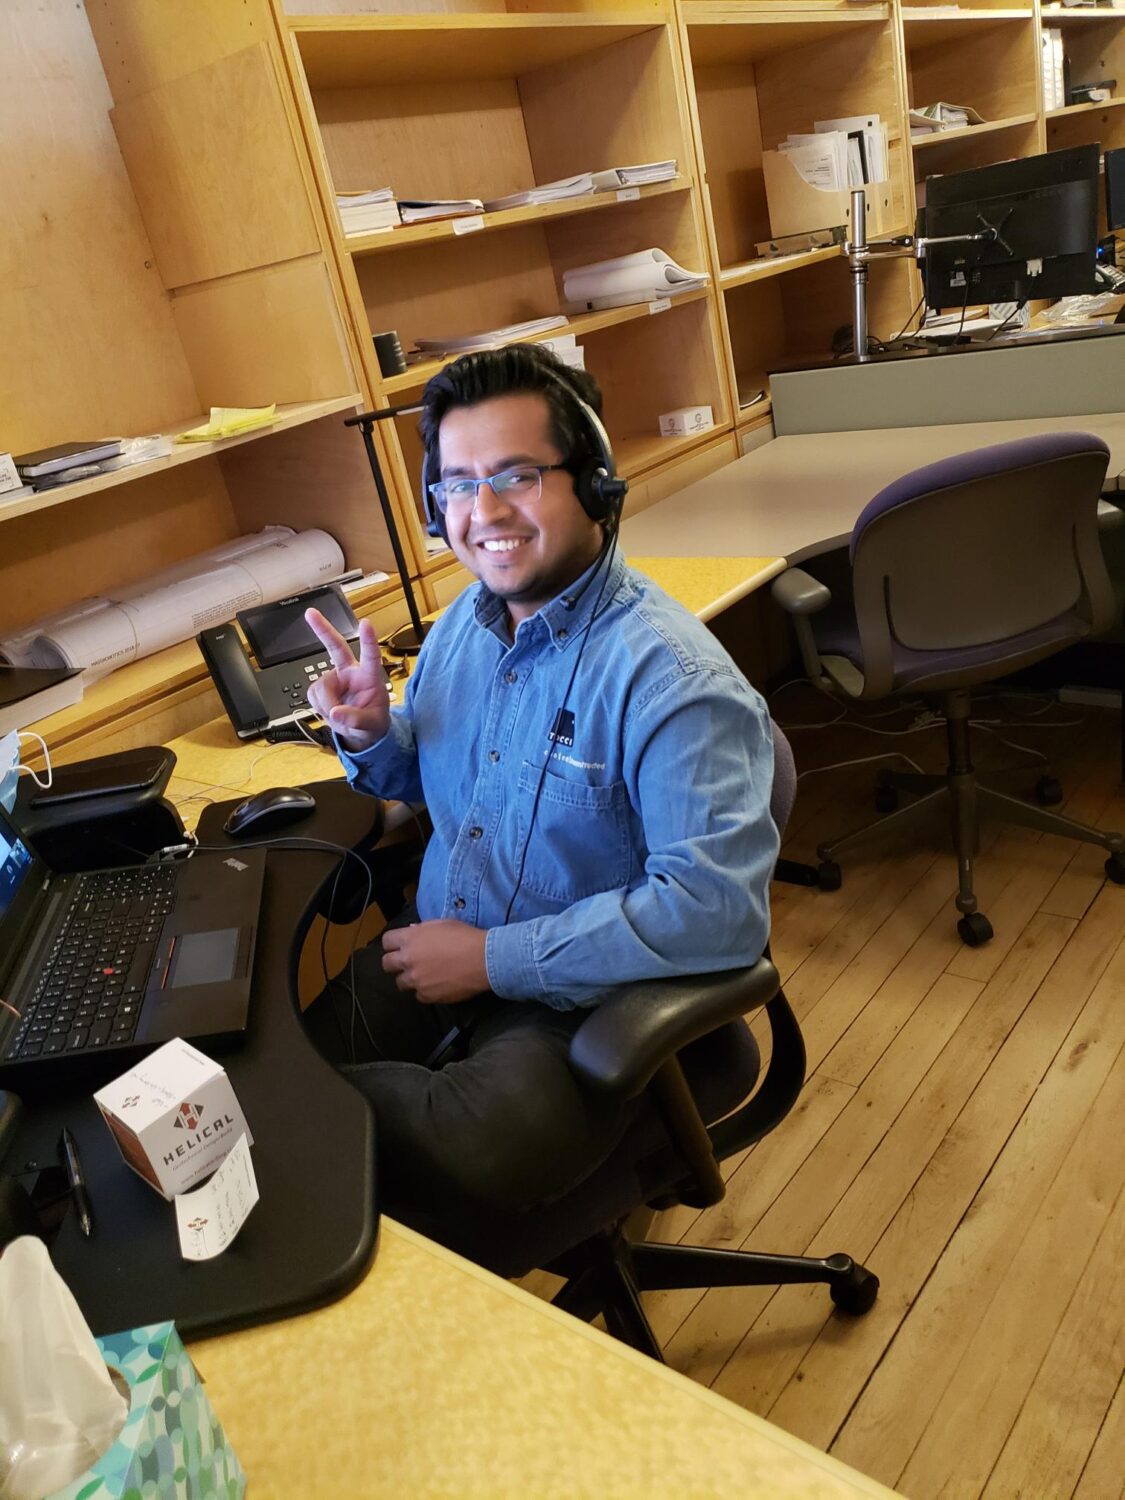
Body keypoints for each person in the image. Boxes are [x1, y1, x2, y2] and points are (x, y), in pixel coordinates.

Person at [304, 344, 778, 1263]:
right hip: (443, 941)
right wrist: (370, 734)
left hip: (585, 995)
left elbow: (715, 912)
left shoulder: (671, 682)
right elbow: (439, 777)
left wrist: (490, 960)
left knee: (446, 1152)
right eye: (456, 486)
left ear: (595, 483)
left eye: (516, 475)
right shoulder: (460, 631)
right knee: (289, 1066)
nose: (482, 514)